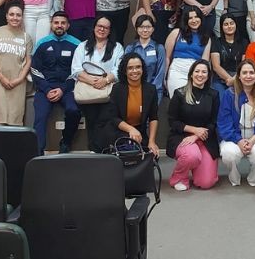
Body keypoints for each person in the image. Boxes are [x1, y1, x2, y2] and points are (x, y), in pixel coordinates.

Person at [217, 59, 255, 187]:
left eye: (251, 73)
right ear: (238, 76)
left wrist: (253, 140)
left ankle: (254, 177)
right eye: (244, 73)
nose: (248, 76)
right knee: (229, 154)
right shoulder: (229, 95)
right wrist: (238, 140)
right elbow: (224, 123)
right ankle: (234, 177)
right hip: (233, 137)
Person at [71, 16, 124, 152]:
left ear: (110, 30)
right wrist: (91, 81)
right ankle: (93, 151)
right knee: (92, 121)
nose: (102, 29)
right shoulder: (82, 46)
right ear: (94, 27)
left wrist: (105, 81)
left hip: (108, 89)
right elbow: (76, 69)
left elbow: (119, 69)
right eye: (99, 26)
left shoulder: (117, 47)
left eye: (106, 27)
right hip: (88, 90)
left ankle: (107, 151)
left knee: (107, 121)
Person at [31, 11, 81, 154]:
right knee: (40, 117)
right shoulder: (42, 43)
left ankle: (66, 142)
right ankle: (38, 152)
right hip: (44, 89)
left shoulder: (77, 44)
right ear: (51, 24)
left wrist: (62, 89)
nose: (59, 25)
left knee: (74, 111)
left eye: (63, 23)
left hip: (67, 88)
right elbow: (34, 69)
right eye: (56, 23)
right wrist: (47, 89)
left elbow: (77, 71)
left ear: (68, 25)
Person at [167, 59, 220, 191]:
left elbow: (214, 122)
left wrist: (197, 136)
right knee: (192, 156)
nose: (200, 75)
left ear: (208, 75)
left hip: (205, 139)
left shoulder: (214, 95)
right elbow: (172, 121)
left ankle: (196, 168)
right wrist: (194, 130)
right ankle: (179, 177)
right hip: (182, 137)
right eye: (197, 71)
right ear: (191, 74)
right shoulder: (179, 93)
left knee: (206, 183)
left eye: (204, 72)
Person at [0, 0, 32, 126]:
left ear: (22, 17)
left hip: (16, 83)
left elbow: (28, 61)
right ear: (6, 16)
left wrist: (19, 79)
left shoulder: (26, 37)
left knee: (14, 122)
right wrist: (2, 78)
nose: (15, 18)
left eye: (18, 15)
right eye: (11, 14)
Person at [103, 53, 160, 156]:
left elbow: (153, 118)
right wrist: (130, 129)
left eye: (138, 67)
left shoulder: (151, 89)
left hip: (140, 132)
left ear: (142, 69)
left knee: (152, 155)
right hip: (118, 131)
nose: (135, 71)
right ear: (125, 71)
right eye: (130, 68)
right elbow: (113, 118)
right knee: (127, 152)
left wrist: (152, 141)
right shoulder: (117, 89)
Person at [164, 6, 212, 97]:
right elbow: (166, 57)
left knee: (192, 103)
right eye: (190, 18)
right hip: (177, 71)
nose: (194, 20)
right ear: (186, 20)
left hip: (196, 73)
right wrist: (164, 77)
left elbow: (204, 62)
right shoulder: (177, 32)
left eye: (196, 17)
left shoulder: (206, 38)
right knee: (177, 100)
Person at [124, 14, 166, 97]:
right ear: (136, 29)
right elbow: (125, 69)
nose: (145, 30)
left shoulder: (159, 48)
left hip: (154, 90)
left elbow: (161, 71)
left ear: (153, 29)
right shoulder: (130, 48)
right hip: (132, 89)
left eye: (148, 27)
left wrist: (153, 89)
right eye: (141, 27)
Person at [209, 13, 247, 96]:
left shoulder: (244, 42)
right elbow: (216, 66)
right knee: (221, 98)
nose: (229, 26)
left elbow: (243, 64)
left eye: (231, 23)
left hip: (239, 78)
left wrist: (235, 80)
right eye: (226, 24)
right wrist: (229, 79)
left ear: (236, 25)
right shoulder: (216, 42)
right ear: (221, 27)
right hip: (219, 79)